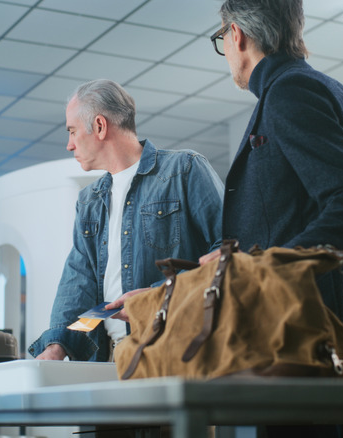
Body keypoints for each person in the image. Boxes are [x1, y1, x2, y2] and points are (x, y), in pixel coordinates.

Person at [205, 0, 343, 436]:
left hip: (304, 341)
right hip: (322, 339)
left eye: (221, 39)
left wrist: (263, 267)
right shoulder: (332, 92)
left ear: (236, 35)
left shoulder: (290, 92)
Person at [27, 79, 224, 362]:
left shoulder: (184, 170)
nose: (69, 144)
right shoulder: (89, 201)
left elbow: (228, 253)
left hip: (175, 350)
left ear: (99, 126)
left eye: (72, 131)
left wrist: (155, 298)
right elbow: (78, 283)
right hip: (111, 356)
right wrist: (57, 344)